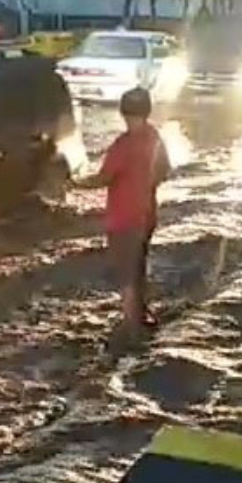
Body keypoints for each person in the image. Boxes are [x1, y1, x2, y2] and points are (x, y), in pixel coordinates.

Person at [72, 88, 172, 339]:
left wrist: (74, 183)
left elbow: (103, 178)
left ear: (123, 113)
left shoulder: (123, 144)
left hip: (124, 219)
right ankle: (142, 313)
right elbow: (164, 171)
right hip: (147, 215)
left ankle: (131, 327)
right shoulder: (154, 137)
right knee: (138, 265)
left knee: (126, 271)